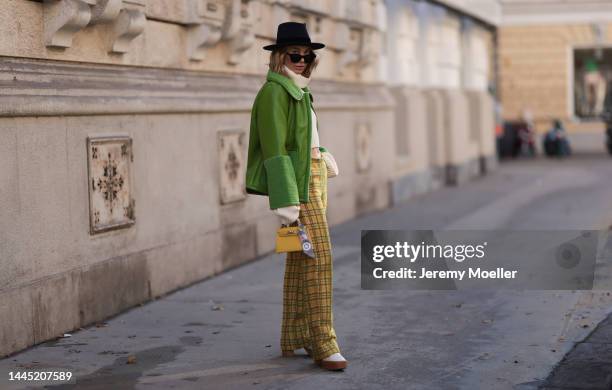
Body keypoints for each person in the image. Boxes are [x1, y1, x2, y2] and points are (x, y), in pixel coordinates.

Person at [244, 21, 346, 371]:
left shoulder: (299, 90)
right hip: (296, 186)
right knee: (321, 258)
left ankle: (296, 334)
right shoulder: (275, 92)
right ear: (278, 57)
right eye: (294, 54)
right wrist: (286, 199)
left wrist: (323, 153)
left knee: (301, 257)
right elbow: (275, 149)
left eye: (307, 55)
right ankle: (323, 341)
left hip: (313, 177)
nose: (301, 60)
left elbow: (302, 141)